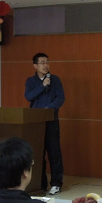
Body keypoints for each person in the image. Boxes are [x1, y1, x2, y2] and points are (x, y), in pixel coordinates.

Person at [24, 52, 65, 195]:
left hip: (51, 120)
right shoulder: (31, 81)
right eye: (42, 63)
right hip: (35, 122)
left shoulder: (55, 80)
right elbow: (29, 96)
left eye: (47, 62)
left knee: (54, 152)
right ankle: (40, 184)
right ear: (35, 66)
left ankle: (56, 183)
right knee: (38, 152)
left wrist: (50, 108)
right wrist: (42, 86)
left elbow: (60, 98)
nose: (45, 65)